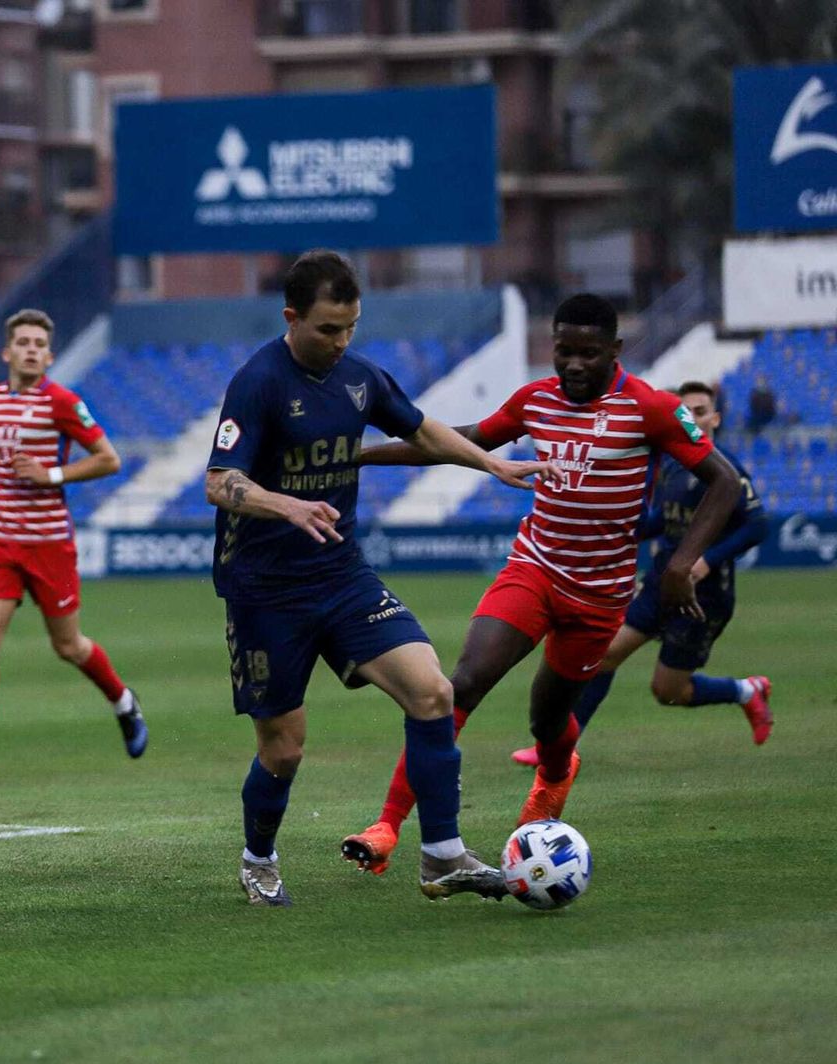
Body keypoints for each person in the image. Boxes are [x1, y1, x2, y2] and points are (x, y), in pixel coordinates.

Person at [342, 294, 743, 878]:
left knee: (547, 720)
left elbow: (724, 482)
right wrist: (357, 456)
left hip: (601, 596)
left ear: (615, 351)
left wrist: (682, 562)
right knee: (462, 683)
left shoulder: (650, 408)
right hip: (534, 569)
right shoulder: (535, 400)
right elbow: (460, 439)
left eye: (587, 352)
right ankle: (387, 825)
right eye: (563, 351)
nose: (573, 363)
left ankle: (556, 773)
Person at [205, 250, 549, 907]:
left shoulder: (360, 378)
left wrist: (491, 465)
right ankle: (258, 857)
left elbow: (421, 430)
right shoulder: (258, 382)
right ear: (292, 317)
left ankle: (442, 854)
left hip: (341, 573)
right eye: (329, 329)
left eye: (351, 327)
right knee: (285, 747)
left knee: (432, 691)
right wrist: (289, 504)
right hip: (264, 588)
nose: (341, 342)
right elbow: (220, 481)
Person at [0, 308, 147, 781]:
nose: (30, 350)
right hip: (0, 541)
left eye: (38, 344)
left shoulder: (62, 402)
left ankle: (124, 702)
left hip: (48, 544)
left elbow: (108, 460)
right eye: (22, 342)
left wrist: (49, 474)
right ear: (7, 352)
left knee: (68, 646)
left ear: (48, 356)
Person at [508, 380, 771, 764]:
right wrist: (612, 528)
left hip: (704, 596)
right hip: (662, 583)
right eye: (688, 412)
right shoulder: (670, 465)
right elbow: (661, 522)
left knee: (667, 690)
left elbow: (758, 524)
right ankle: (560, 750)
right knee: (605, 655)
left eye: (701, 412)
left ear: (715, 418)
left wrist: (707, 560)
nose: (694, 418)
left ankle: (746, 691)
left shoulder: (726, 469)